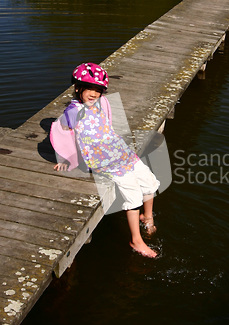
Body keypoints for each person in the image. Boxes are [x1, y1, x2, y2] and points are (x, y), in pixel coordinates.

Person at [50, 62, 160, 258]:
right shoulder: (73, 112)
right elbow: (63, 133)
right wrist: (66, 158)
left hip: (116, 149)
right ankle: (136, 240)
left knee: (148, 178)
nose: (94, 93)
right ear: (77, 88)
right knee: (132, 191)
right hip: (101, 158)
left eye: (98, 90)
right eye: (89, 89)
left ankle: (147, 216)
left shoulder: (100, 103)